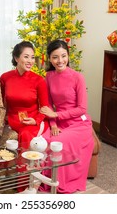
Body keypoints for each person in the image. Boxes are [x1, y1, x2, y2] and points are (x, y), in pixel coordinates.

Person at [38, 39, 94, 193]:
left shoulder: (77, 77)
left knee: (58, 142)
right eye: (55, 57)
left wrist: (56, 114)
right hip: (58, 122)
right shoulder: (49, 76)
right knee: (42, 140)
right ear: (49, 58)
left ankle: (59, 182)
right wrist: (53, 124)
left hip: (78, 124)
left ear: (68, 56)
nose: (60, 60)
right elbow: (48, 104)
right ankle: (44, 179)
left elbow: (82, 108)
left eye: (64, 56)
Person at [0, 41, 49, 149]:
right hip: (12, 120)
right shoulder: (5, 78)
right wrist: (3, 118)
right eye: (26, 57)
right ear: (16, 58)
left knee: (25, 134)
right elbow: (1, 103)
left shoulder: (39, 80)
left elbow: (45, 107)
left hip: (32, 120)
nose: (30, 61)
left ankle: (25, 166)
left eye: (32, 57)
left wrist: (36, 120)